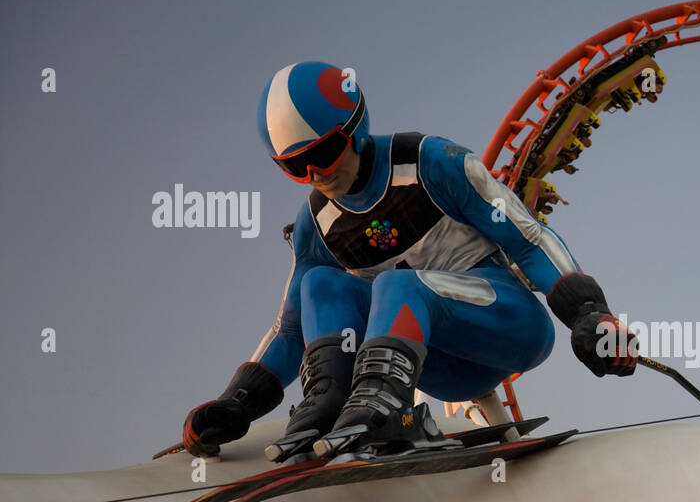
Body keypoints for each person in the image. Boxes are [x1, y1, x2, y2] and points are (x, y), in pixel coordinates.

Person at [182, 61, 636, 462]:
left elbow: (529, 239)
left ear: (356, 129)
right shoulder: (316, 223)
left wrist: (589, 314)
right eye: (294, 167)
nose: (315, 174)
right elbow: (292, 328)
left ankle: (383, 406)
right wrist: (237, 401)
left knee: (397, 286)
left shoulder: (432, 162)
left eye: (321, 153)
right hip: (441, 367)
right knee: (321, 283)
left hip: (512, 328)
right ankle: (330, 401)